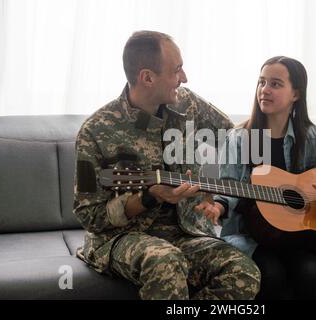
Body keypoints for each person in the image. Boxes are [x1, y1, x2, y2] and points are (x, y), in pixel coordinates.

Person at [73, 30, 260, 300]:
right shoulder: (95, 131)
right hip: (122, 237)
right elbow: (89, 215)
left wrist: (211, 189)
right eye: (177, 70)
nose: (184, 78)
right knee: (166, 261)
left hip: (187, 233)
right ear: (147, 77)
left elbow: (234, 139)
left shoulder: (189, 105)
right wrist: (148, 197)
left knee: (243, 272)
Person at [197, 56, 316, 300]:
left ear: (295, 94)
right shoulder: (240, 138)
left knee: (311, 272)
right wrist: (218, 205)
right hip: (249, 235)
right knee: (271, 274)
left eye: (275, 84)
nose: (264, 90)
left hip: (297, 237)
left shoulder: (311, 137)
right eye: (261, 82)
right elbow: (227, 188)